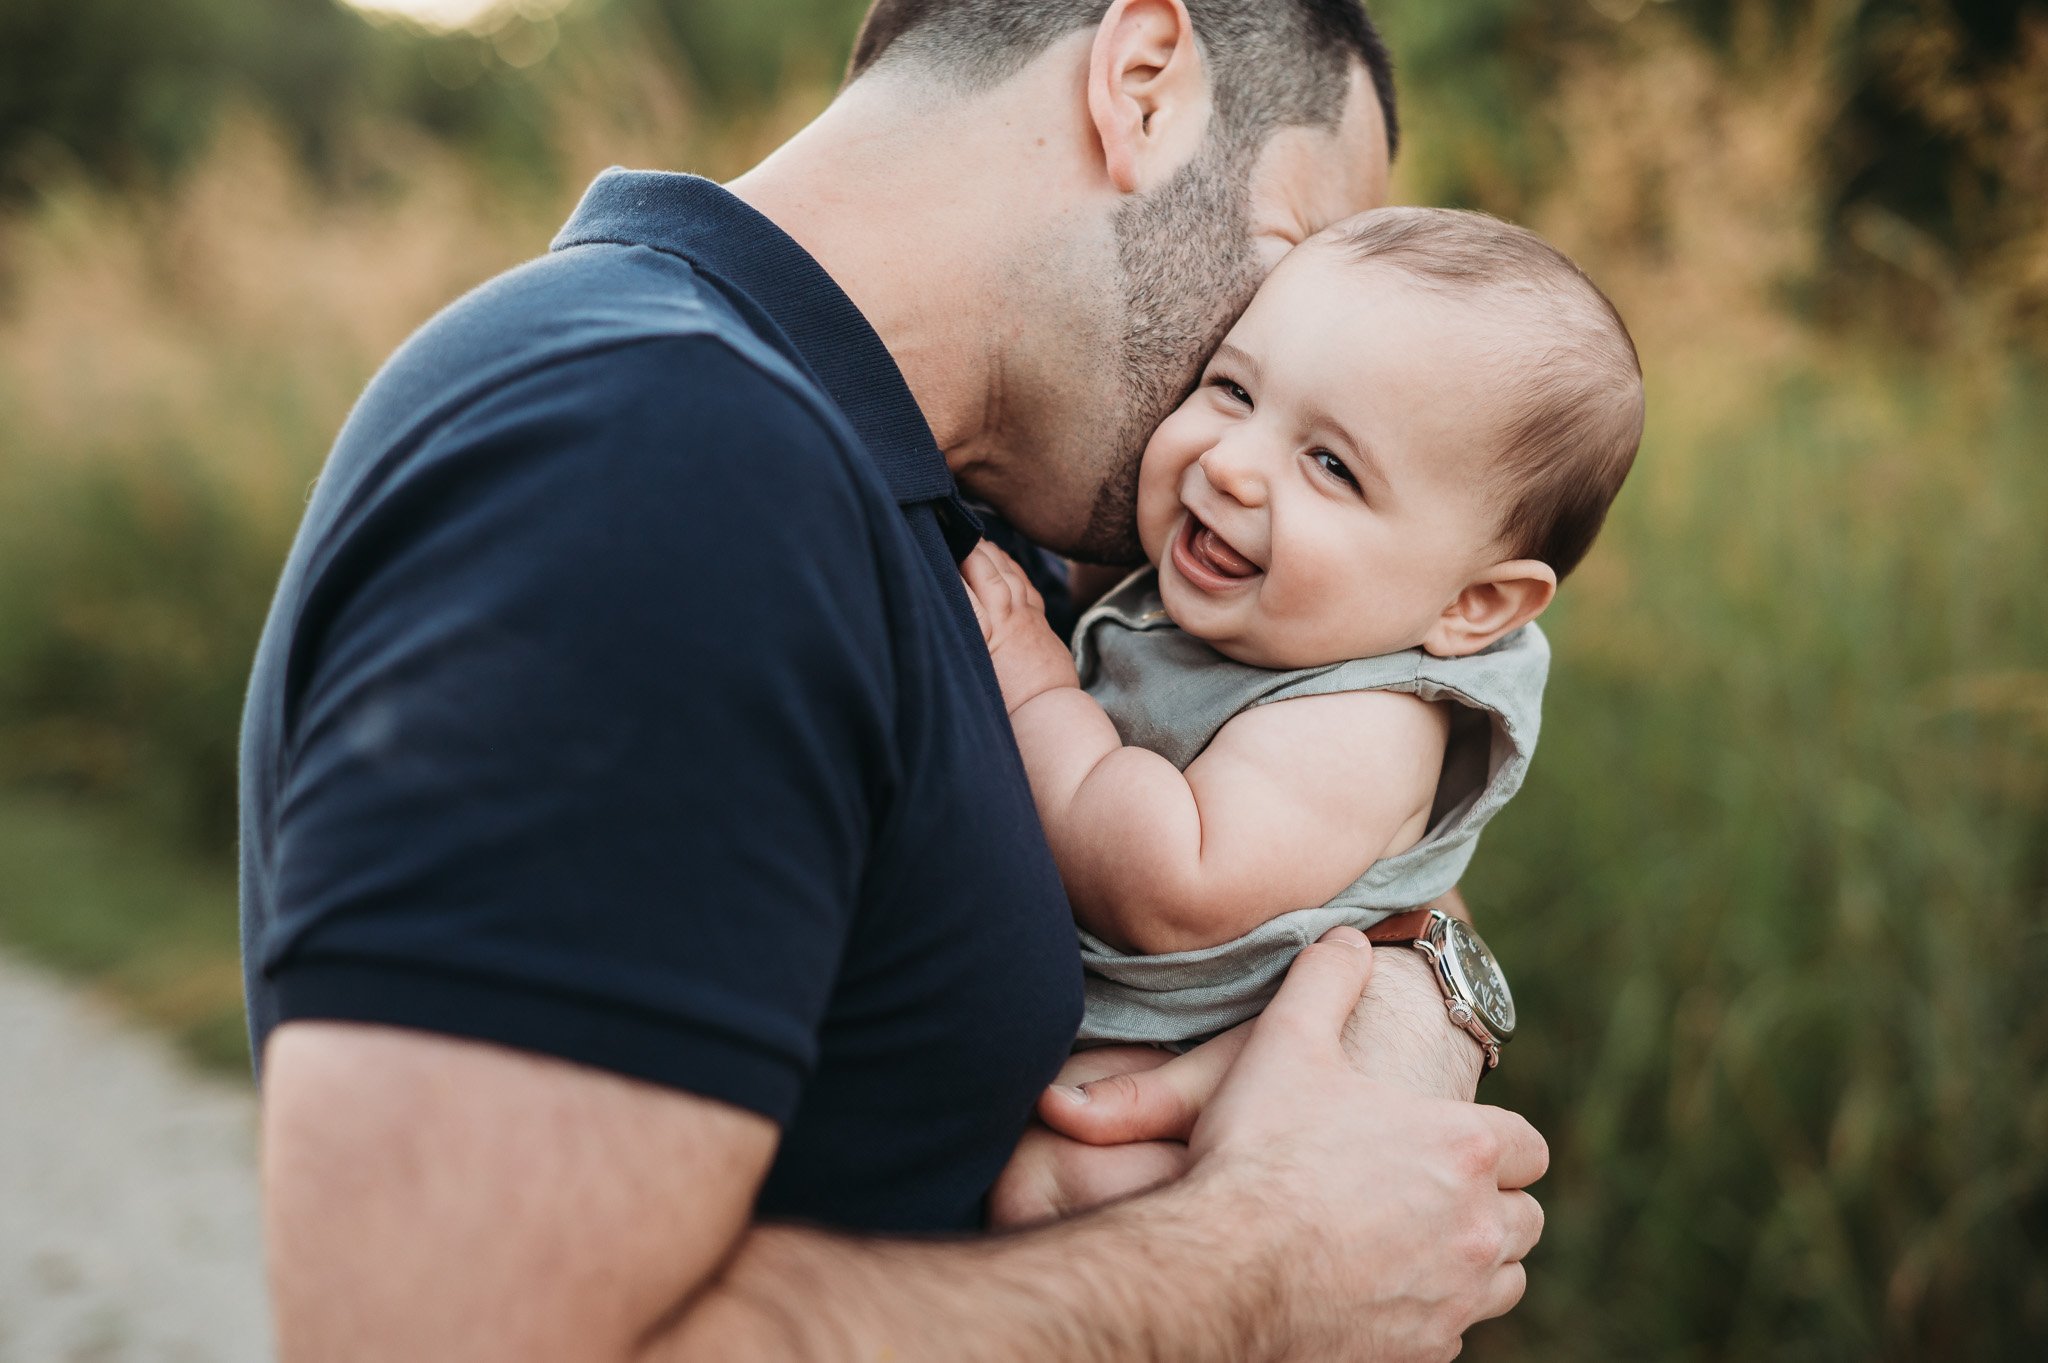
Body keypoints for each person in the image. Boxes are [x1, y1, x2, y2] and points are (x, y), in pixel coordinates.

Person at [239, 2, 1549, 1359]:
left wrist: (1417, 1016)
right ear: (1144, 80)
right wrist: (1261, 1260)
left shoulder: (930, 504)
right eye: (1277, 279)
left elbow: (1335, 804)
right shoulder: (651, 458)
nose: (1248, 428)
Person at [963, 206, 1643, 1050]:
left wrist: (1033, 688)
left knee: (1041, 1185)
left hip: (1147, 1067)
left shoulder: (1367, 725)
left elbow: (1173, 886)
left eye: (1331, 465)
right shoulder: (1272, 607)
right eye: (1234, 389)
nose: (1230, 463)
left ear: (1473, 605)